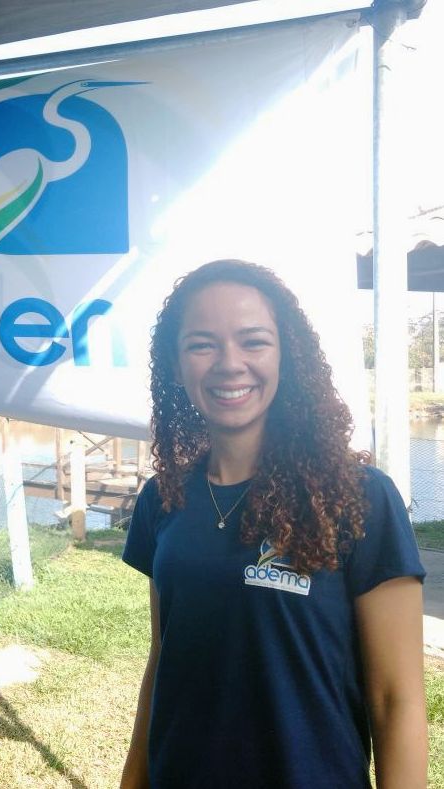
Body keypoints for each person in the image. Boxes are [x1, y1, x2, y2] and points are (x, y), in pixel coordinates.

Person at [120, 260, 426, 789]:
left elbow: (396, 698)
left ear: (288, 355)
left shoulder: (358, 500)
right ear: (175, 363)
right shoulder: (162, 499)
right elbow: (164, 660)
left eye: (253, 341)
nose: (229, 363)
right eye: (202, 344)